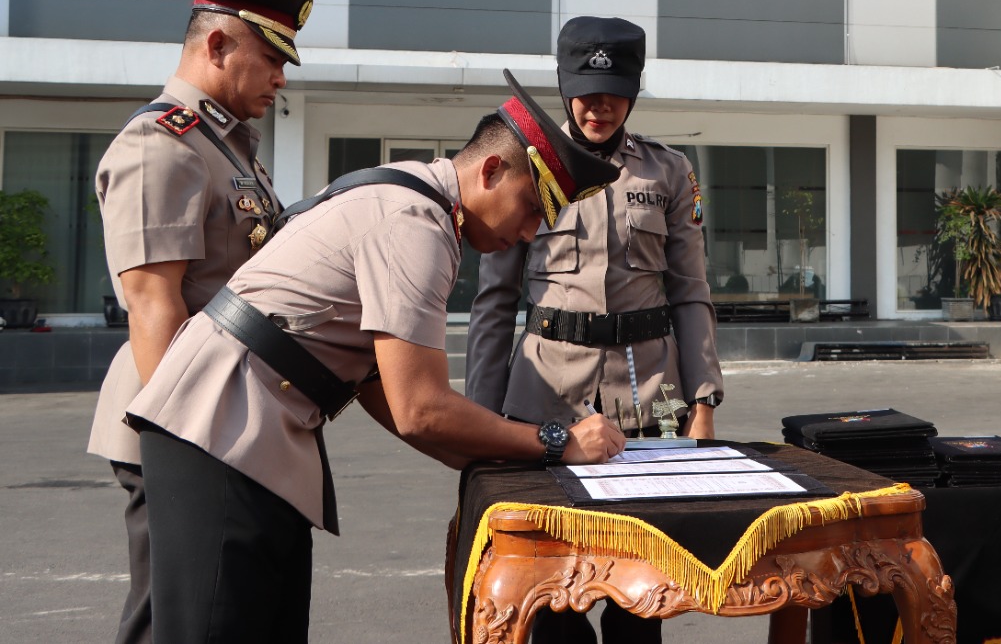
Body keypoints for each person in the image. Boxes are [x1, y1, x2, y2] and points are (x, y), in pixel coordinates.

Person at [124, 73, 627, 643]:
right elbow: (420, 409)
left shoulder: (413, 195)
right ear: (491, 171)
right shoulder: (418, 225)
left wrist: (487, 459)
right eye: (533, 208)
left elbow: (382, 390)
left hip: (248, 429)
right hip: (219, 429)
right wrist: (556, 441)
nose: (532, 232)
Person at [466, 16, 722, 644]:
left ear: (633, 91)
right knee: (555, 589)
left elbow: (690, 292)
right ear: (563, 88)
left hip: (650, 400)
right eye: (583, 90)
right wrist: (478, 418)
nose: (596, 106)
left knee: (645, 589)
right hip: (543, 394)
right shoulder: (530, 170)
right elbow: (494, 302)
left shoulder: (668, 173)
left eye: (612, 91)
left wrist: (704, 399)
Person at [87, 0, 315, 644]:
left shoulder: (224, 147)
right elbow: (153, 306)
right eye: (271, 59)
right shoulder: (163, 144)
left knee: (226, 618)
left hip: (227, 420)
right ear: (218, 44)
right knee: (175, 620)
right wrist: (192, 451)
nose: (280, 79)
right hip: (184, 426)